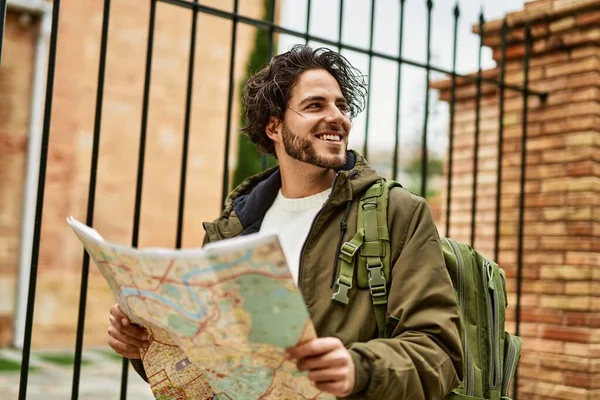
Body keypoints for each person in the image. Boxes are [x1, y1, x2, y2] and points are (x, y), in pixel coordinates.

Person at [107, 45, 463, 399]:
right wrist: (145, 346)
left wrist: (360, 369)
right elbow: (214, 359)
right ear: (274, 127)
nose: (338, 116)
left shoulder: (397, 212)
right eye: (315, 105)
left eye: (341, 105)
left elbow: (440, 353)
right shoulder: (235, 227)